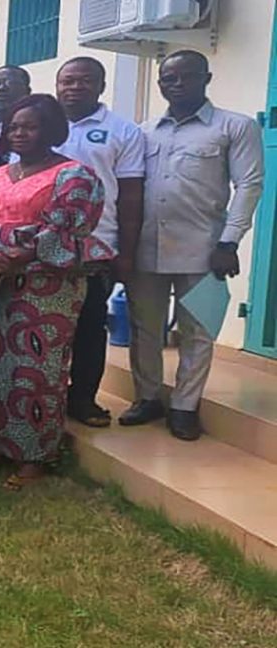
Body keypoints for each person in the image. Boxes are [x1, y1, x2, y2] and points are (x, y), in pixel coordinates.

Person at [0, 94, 110, 490]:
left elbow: (66, 229)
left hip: (46, 286)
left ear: (51, 130)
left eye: (29, 127)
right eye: (13, 127)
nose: (19, 133)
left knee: (38, 368)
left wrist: (11, 260)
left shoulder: (74, 175)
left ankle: (36, 454)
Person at [122, 50, 265, 440]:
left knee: (198, 330)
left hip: (204, 249)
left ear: (207, 78)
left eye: (187, 76)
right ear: (160, 84)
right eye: (169, 78)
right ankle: (147, 398)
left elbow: (249, 186)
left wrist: (229, 242)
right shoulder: (144, 131)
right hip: (146, 248)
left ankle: (185, 406)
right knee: (144, 328)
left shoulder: (234, 126)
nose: (178, 84)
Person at [54, 57, 147, 430]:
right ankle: (42, 396)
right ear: (57, 85)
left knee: (89, 328)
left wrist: (126, 252)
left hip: (95, 248)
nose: (75, 87)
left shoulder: (123, 131)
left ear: (101, 86)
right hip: (36, 250)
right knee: (43, 326)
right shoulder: (39, 124)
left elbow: (131, 196)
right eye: (68, 81)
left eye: (85, 81)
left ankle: (82, 399)